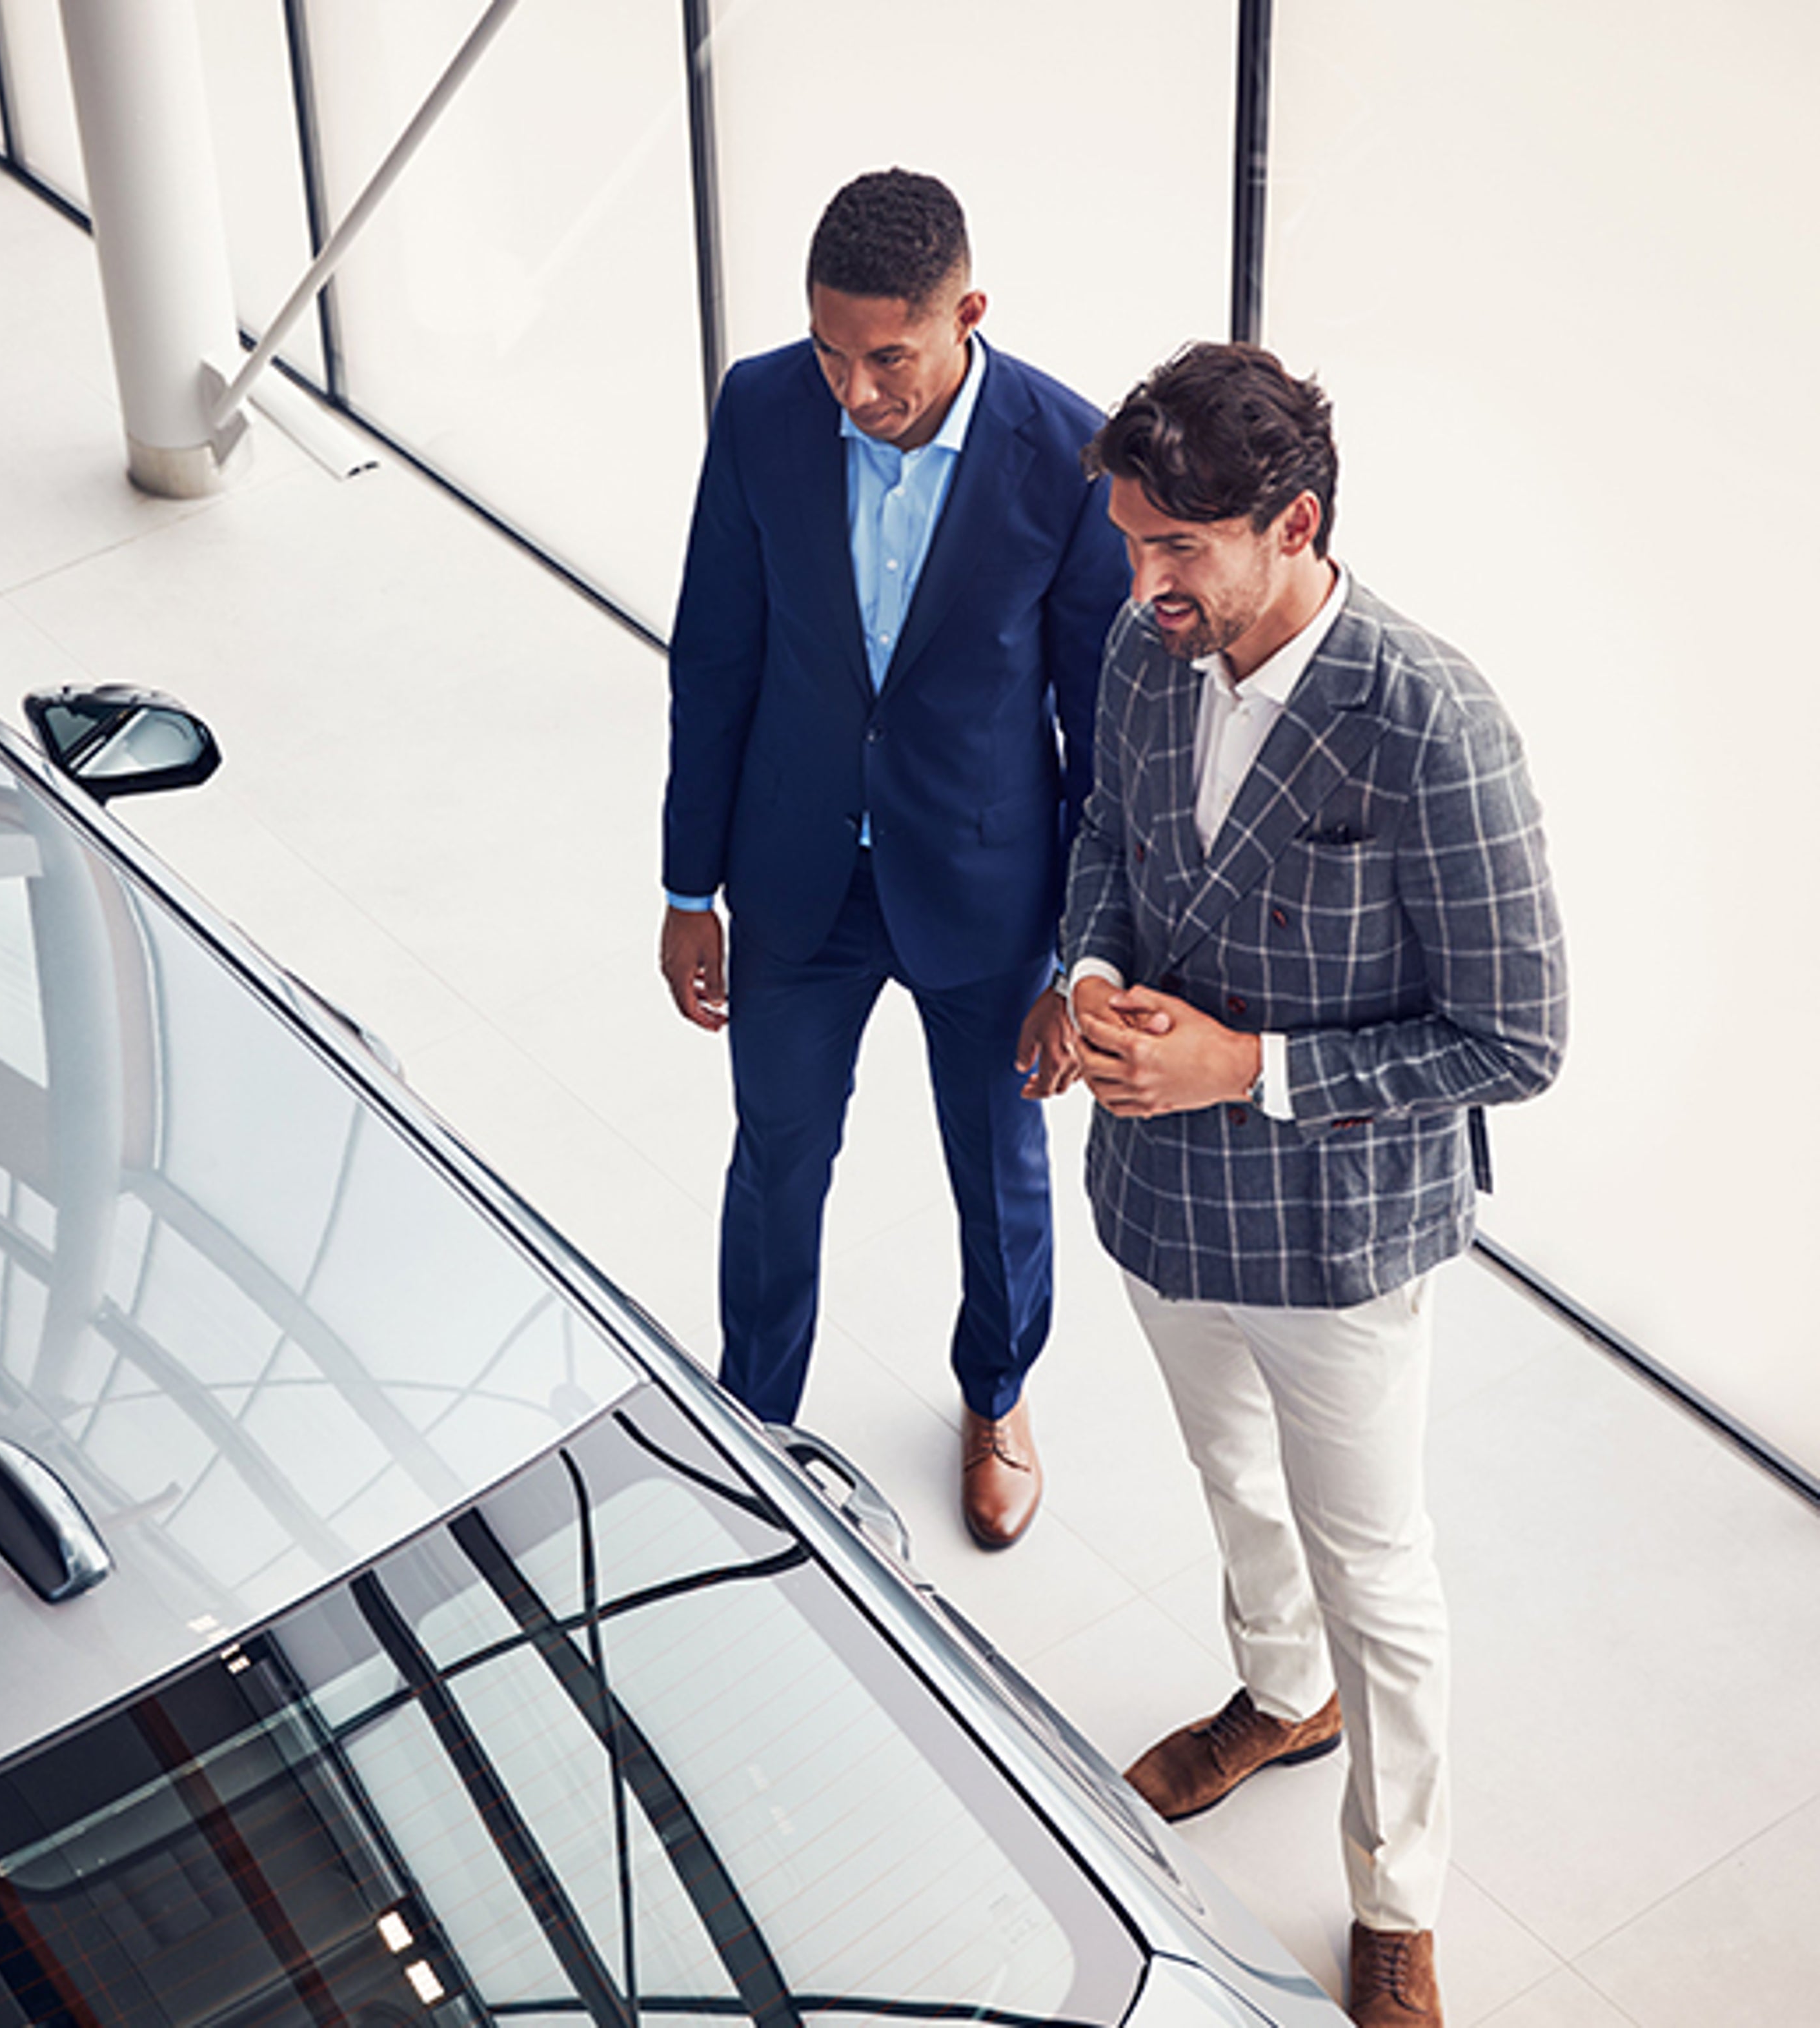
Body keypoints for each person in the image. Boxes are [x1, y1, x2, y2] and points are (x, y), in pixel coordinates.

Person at [1064, 341, 1567, 2028]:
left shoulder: (1432, 720)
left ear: (1293, 522)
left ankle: (1399, 1893)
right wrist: (1084, 972)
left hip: (1343, 1236)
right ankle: (1280, 1694)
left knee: (1378, 1559)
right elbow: (1108, 846)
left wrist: (1254, 1067)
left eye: (1178, 548)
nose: (1144, 584)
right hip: (1156, 1194)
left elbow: (1515, 1037)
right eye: (1134, 542)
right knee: (1229, 1474)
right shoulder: (1151, 651)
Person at [659, 168, 1126, 1548]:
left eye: (886, 358)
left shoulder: (1069, 455)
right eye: (829, 352)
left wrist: (1083, 958)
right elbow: (715, 654)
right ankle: (755, 1414)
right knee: (778, 1153)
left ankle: (996, 1389)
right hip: (796, 870)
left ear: (966, 314)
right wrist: (691, 885)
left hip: (986, 887)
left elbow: (1103, 737)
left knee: (998, 1163)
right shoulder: (760, 407)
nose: (853, 390)